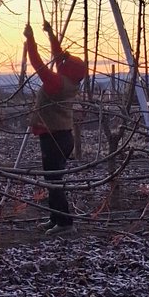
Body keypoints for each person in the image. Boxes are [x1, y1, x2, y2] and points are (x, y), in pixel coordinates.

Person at [24, 21, 87, 229]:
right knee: (52, 180)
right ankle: (56, 219)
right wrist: (50, 35)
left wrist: (31, 40)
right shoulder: (70, 80)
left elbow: (38, 65)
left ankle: (64, 222)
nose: (61, 62)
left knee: (54, 182)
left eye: (65, 63)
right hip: (60, 136)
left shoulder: (57, 83)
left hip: (54, 138)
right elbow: (59, 56)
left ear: (68, 70)